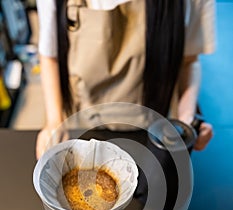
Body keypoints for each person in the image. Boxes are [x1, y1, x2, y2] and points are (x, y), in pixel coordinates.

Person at [35, 0, 215, 159]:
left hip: (152, 127)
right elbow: (51, 56)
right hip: (82, 119)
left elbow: (189, 61)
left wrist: (187, 117)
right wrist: (54, 121)